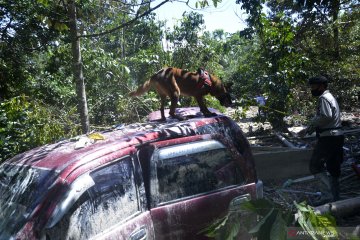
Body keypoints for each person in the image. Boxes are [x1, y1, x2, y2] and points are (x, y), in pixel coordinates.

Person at [299, 75, 344, 204]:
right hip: (336, 136)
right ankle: (336, 197)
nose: (311, 89)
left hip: (329, 138)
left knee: (315, 166)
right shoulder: (331, 97)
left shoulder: (323, 98)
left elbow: (326, 116)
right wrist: (309, 129)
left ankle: (327, 196)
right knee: (333, 167)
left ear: (322, 86)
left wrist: (310, 126)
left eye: (313, 86)